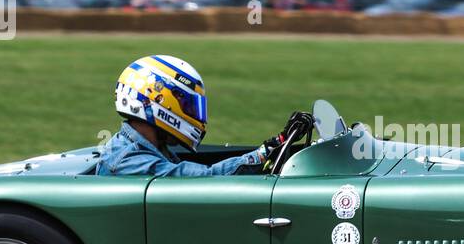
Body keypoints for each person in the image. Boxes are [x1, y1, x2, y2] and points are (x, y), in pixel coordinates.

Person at [96, 55, 306, 178]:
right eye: (187, 105)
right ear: (159, 99)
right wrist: (263, 154)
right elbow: (205, 179)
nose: (194, 115)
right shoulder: (128, 162)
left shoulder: (153, 150)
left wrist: (275, 146)